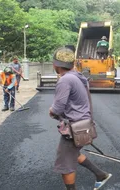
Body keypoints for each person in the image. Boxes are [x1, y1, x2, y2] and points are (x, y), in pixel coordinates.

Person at [49, 47, 112, 190]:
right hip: (84, 125)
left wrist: (51, 111)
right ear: (72, 63)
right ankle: (101, 175)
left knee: (65, 164)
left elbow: (57, 108)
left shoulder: (65, 80)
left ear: (55, 64)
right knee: (74, 154)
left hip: (74, 128)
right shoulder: (79, 76)